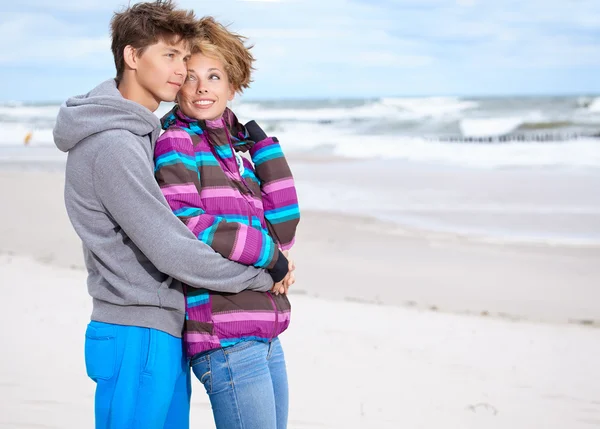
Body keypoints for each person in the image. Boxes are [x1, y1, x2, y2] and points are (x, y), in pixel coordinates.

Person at [52, 2, 284, 428]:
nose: (180, 70)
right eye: (170, 55)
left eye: (184, 57)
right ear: (132, 57)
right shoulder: (114, 145)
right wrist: (264, 274)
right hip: (135, 326)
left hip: (160, 325)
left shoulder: (139, 134)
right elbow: (171, 248)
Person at [153, 17, 300, 429]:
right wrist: (271, 258)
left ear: (232, 85)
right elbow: (188, 220)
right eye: (192, 77)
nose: (202, 88)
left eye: (214, 76)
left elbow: (284, 225)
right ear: (177, 85)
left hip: (266, 330)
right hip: (224, 335)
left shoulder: (239, 154)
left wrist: (264, 148)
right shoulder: (176, 141)